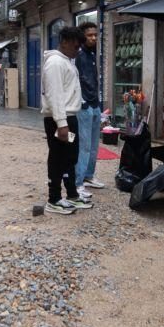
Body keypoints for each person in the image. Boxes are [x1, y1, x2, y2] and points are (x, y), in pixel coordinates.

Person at [41, 26, 93, 215]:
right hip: (59, 120)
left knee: (70, 157)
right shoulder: (55, 63)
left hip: (69, 118)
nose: (78, 49)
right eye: (75, 45)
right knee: (58, 157)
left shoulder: (67, 61)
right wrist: (61, 123)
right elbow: (54, 95)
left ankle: (71, 194)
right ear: (64, 42)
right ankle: (53, 198)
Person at [75, 21, 105, 200]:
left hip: (94, 105)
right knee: (84, 146)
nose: (94, 38)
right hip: (84, 105)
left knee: (94, 145)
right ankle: (78, 182)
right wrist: (83, 102)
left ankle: (88, 175)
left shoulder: (92, 55)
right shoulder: (78, 56)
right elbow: (76, 81)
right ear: (82, 37)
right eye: (89, 35)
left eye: (95, 34)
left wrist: (97, 103)